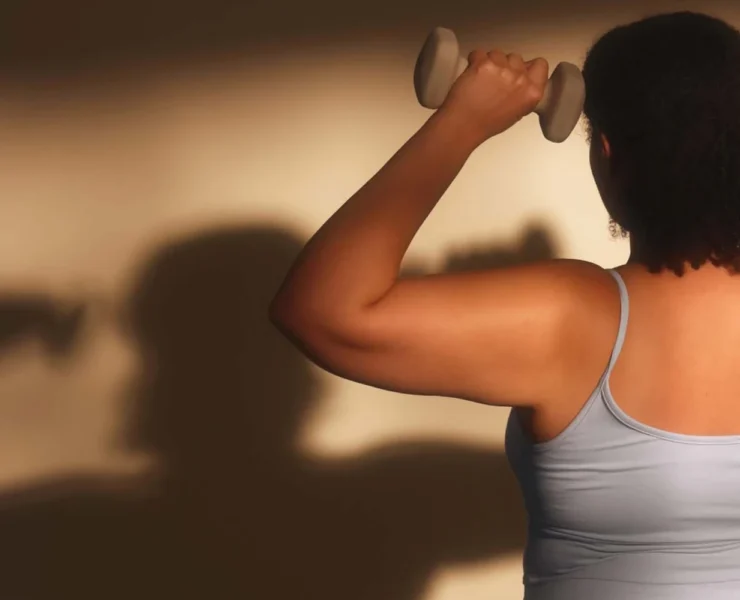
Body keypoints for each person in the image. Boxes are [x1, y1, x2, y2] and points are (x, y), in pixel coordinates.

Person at [270, 10, 740, 600]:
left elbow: (318, 310)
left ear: (610, 154)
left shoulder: (570, 316)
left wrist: (463, 121)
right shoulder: (567, 314)